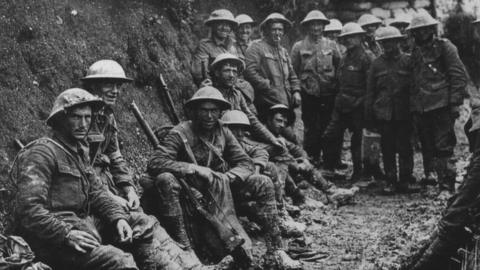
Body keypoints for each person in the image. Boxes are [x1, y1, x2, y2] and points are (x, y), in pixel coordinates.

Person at [11, 88, 215, 270]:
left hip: (84, 226)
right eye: (76, 117)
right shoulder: (41, 154)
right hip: (53, 241)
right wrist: (66, 234)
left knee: (142, 221)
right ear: (61, 120)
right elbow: (28, 211)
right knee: (119, 260)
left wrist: (117, 218)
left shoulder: (77, 152)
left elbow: (97, 192)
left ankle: (190, 267)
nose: (84, 124)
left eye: (87, 117)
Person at [147, 87, 302, 269]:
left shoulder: (223, 132)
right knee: (165, 179)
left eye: (214, 111)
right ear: (194, 111)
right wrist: (192, 168)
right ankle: (186, 250)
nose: (210, 116)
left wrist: (226, 178)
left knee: (263, 182)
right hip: (194, 193)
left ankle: (275, 252)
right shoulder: (180, 133)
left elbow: (245, 163)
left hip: (222, 189)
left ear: (220, 112)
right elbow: (155, 162)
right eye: (204, 110)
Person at [220, 110, 307, 237]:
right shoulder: (220, 145)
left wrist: (256, 169)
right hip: (225, 194)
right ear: (225, 129)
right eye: (234, 129)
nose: (239, 134)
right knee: (262, 184)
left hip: (239, 190)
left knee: (270, 166)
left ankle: (280, 214)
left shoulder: (240, 144)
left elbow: (260, 152)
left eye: (242, 130)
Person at [408, 11, 468, 193]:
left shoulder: (445, 47)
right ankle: (432, 180)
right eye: (418, 30)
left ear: (431, 29)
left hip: (441, 105)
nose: (421, 33)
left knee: (444, 147)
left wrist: (454, 103)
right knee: (427, 145)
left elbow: (458, 76)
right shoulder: (414, 51)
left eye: (425, 29)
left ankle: (447, 187)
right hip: (421, 107)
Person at [265, 104, 358, 207]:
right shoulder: (262, 135)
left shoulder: (278, 136)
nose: (282, 125)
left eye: (284, 122)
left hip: (285, 170)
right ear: (269, 119)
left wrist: (304, 158)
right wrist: (295, 163)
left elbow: (296, 149)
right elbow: (273, 154)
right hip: (270, 170)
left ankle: (330, 191)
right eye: (279, 121)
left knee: (305, 167)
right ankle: (294, 201)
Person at [80, 59, 140, 212]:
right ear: (93, 85)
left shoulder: (108, 116)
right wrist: (110, 197)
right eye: (109, 84)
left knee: (139, 213)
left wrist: (129, 189)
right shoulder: (80, 118)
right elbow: (79, 167)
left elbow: (115, 156)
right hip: (83, 188)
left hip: (104, 181)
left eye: (118, 86)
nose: (115, 91)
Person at [365, 26, 418, 194]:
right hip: (384, 113)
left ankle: (405, 180)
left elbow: (415, 88)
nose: (387, 45)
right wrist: (369, 117)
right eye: (383, 43)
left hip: (404, 113)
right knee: (387, 148)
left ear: (398, 42)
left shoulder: (408, 61)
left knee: (405, 147)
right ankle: (390, 181)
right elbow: (370, 92)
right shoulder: (376, 64)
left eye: (391, 42)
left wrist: (415, 111)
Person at [290, 10, 343, 170]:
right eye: (313, 24)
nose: (316, 28)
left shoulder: (332, 45)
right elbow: (293, 71)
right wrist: (296, 90)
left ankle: (331, 162)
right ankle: (312, 159)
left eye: (319, 24)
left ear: (323, 26)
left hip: (329, 93)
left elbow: (339, 66)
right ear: (307, 27)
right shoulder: (298, 47)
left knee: (330, 126)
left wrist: (339, 89)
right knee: (311, 127)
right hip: (309, 93)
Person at [323, 22, 375, 182]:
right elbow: (339, 81)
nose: (348, 40)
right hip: (341, 105)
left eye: (352, 37)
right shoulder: (344, 57)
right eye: (346, 38)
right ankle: (329, 169)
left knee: (358, 141)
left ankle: (360, 173)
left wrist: (364, 105)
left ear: (360, 37)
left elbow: (370, 86)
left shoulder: (367, 57)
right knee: (330, 135)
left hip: (358, 105)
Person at [244, 12, 303, 143]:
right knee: (283, 138)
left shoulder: (283, 51)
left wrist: (296, 91)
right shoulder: (256, 47)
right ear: (266, 30)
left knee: (286, 139)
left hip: (286, 103)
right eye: (274, 29)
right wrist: (267, 86)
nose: (277, 33)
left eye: (280, 30)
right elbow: (249, 72)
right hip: (267, 104)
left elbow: (292, 75)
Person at [209, 52, 283, 148]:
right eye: (227, 71)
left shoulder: (237, 94)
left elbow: (252, 119)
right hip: (220, 142)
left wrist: (271, 138)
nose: (231, 75)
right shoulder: (211, 93)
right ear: (217, 73)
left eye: (234, 71)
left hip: (240, 139)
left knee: (278, 148)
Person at [191, 9, 239, 86]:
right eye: (220, 24)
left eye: (227, 25)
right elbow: (199, 74)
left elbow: (237, 72)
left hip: (232, 86)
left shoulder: (232, 47)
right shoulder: (205, 46)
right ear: (213, 26)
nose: (224, 28)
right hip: (214, 87)